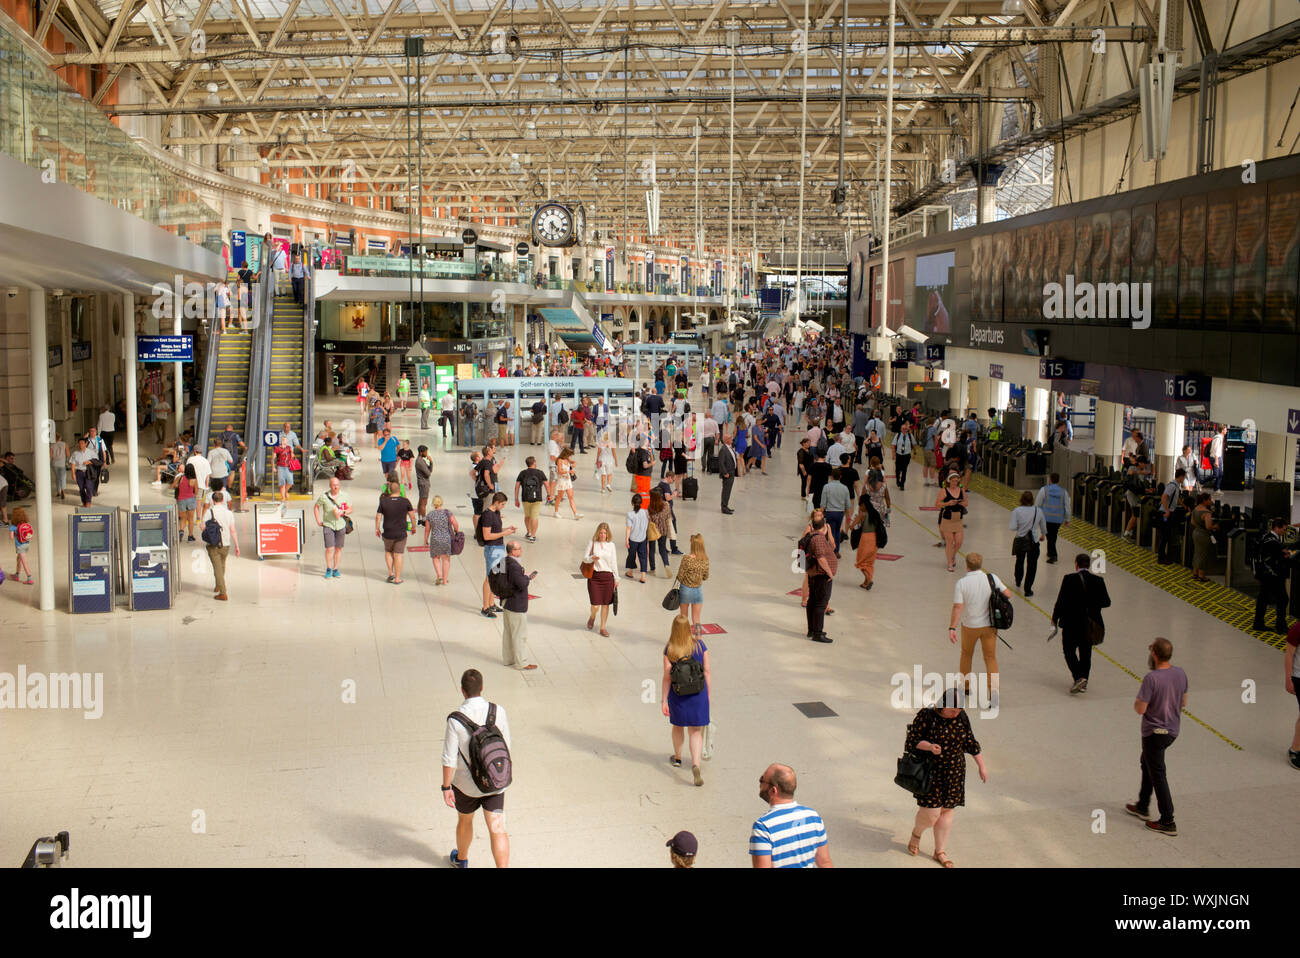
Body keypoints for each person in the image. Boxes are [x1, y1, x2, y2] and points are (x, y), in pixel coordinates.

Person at [903, 688, 988, 868]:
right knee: (931, 813)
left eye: (958, 711)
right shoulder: (926, 716)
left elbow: (970, 742)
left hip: (954, 772)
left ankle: (939, 851)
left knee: (947, 811)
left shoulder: (961, 717)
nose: (955, 714)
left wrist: (981, 765)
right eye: (952, 710)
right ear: (942, 705)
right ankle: (916, 834)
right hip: (931, 772)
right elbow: (912, 741)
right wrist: (929, 747)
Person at [442, 669, 512, 868]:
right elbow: (506, 744)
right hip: (495, 780)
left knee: (465, 821)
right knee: (497, 828)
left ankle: (461, 859)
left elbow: (449, 759)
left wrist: (446, 787)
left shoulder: (455, 720)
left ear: (462, 690)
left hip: (466, 786)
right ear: (482, 688)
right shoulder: (498, 710)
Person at [1125, 637, 1189, 836]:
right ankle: (1143, 805)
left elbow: (1140, 708)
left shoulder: (1152, 679)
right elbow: (1183, 702)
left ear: (1154, 654)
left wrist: (1139, 702)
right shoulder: (1180, 673)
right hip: (1172, 731)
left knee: (1158, 772)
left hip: (1154, 733)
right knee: (1148, 762)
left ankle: (1167, 820)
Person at [948, 553, 1010, 705]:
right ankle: (993, 694)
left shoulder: (962, 583)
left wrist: (952, 627)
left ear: (967, 565)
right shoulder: (992, 578)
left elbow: (958, 607)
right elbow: (1007, 594)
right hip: (989, 626)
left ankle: (965, 688)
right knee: (990, 658)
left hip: (970, 626)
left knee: (966, 655)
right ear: (981, 564)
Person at [1051, 552, 1112, 693]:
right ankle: (1084, 680)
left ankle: (1079, 677)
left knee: (1068, 650)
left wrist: (1055, 618)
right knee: (1086, 653)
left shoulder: (1069, 579)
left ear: (1076, 564)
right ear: (1088, 565)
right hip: (1090, 624)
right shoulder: (1099, 581)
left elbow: (1061, 602)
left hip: (1071, 622)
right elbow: (1107, 602)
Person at [750, 764, 831, 868]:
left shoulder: (763, 827)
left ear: (773, 790)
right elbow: (825, 863)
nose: (759, 783)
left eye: (762, 780)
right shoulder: (813, 817)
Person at [662, 615, 711, 787]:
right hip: (698, 694)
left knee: (678, 726)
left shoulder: (670, 649)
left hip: (678, 694)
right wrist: (708, 695)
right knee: (695, 732)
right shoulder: (699, 645)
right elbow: (707, 672)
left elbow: (667, 677)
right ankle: (696, 765)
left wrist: (664, 700)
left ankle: (677, 758)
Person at [499, 540, 538, 671]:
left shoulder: (504, 561)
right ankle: (521, 662)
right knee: (520, 634)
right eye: (519, 549)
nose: (521, 550)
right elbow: (521, 584)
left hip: (506, 602)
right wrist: (527, 578)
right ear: (513, 551)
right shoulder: (514, 566)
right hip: (516, 604)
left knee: (508, 632)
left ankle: (508, 659)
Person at [477, 492, 515, 618]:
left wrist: (507, 530)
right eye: (502, 504)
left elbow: (496, 531)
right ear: (496, 502)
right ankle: (485, 607)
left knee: (497, 577)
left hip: (499, 547)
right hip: (492, 549)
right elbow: (487, 536)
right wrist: (505, 534)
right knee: (490, 578)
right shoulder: (487, 515)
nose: (503, 506)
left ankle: (492, 603)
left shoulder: (496, 513)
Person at [1253, 516, 1293, 633]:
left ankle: (1258, 623)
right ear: (1277, 527)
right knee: (1283, 599)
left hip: (1263, 572)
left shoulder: (1266, 536)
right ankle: (1280, 626)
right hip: (1272, 575)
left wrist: (1281, 552)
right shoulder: (1273, 542)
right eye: (1284, 529)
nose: (1284, 532)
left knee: (1263, 598)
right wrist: (1287, 555)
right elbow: (1279, 558)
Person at [803, 514, 837, 644]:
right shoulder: (818, 539)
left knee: (813, 600)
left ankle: (812, 629)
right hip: (821, 576)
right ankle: (817, 632)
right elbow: (821, 558)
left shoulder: (811, 536)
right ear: (824, 527)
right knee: (820, 603)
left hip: (814, 574)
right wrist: (829, 573)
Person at [374, 479, 415, 585]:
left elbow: (378, 516)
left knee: (388, 552)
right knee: (398, 555)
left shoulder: (384, 501)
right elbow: (412, 515)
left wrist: (377, 528)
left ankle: (390, 573)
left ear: (390, 490)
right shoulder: (405, 501)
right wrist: (414, 527)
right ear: (399, 490)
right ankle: (397, 578)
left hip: (388, 532)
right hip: (401, 533)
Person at [1008, 490, 1047, 597]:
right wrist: (1043, 535)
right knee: (1032, 565)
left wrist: (1021, 527)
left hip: (1020, 540)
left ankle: (1018, 580)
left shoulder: (1017, 511)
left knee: (1020, 561)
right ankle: (1028, 589)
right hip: (1033, 541)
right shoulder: (1038, 511)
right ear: (1032, 500)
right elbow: (1043, 525)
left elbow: (1012, 527)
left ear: (1021, 499)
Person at [583, 522, 619, 636]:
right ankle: (592, 616)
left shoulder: (611, 545)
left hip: (608, 577)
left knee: (605, 604)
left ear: (608, 534)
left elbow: (614, 562)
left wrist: (616, 578)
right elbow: (585, 559)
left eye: (605, 533)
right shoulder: (592, 543)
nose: (603, 535)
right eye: (601, 532)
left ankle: (603, 628)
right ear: (597, 533)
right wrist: (591, 558)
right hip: (595, 577)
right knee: (595, 604)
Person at [312, 475, 352, 579]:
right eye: (334, 485)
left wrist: (343, 511)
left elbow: (350, 509)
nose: (336, 487)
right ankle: (329, 568)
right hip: (328, 525)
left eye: (337, 485)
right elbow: (316, 507)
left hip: (341, 525)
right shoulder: (324, 497)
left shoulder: (345, 496)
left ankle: (336, 569)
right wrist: (318, 520)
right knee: (329, 548)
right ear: (330, 486)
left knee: (338, 548)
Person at [847, 484, 886, 590]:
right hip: (875, 540)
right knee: (869, 562)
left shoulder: (862, 514)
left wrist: (852, 523)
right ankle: (865, 582)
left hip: (865, 539)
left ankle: (868, 580)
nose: (860, 507)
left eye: (860, 505)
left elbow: (851, 527)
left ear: (864, 504)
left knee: (861, 561)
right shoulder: (875, 514)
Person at [203, 489, 239, 601]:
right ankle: (219, 584)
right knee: (222, 565)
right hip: (226, 544)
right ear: (223, 500)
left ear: (213, 501)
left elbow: (202, 527)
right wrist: (237, 546)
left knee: (217, 568)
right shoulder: (229, 513)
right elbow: (233, 530)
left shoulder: (209, 512)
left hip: (213, 544)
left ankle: (223, 593)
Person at [419, 495, 458, 587]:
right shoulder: (447, 513)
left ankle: (439, 576)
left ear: (433, 504)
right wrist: (457, 531)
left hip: (435, 539)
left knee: (436, 558)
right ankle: (444, 580)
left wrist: (425, 540)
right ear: (441, 502)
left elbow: (427, 529)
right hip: (446, 539)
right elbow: (455, 523)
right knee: (446, 559)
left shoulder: (430, 515)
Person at [1033, 473, 1071, 564]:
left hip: (1046, 518)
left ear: (1050, 479)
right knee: (1052, 536)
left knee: (1051, 537)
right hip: (1058, 519)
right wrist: (1067, 519)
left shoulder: (1044, 490)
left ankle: (1053, 555)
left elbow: (1037, 503)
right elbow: (1067, 506)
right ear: (1058, 480)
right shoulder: (1063, 492)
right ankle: (1050, 552)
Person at [676, 534, 709, 635]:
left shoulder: (687, 558)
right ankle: (699, 641)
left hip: (685, 590)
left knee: (684, 617)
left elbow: (680, 576)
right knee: (696, 619)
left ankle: (684, 639)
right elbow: (705, 577)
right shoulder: (705, 559)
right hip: (698, 591)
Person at [936, 472, 968, 573]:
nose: (955, 483)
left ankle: (952, 555)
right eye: (953, 481)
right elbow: (937, 504)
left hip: (958, 519)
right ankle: (950, 563)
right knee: (950, 542)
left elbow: (966, 503)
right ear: (949, 481)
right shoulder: (944, 491)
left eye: (956, 481)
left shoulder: (961, 491)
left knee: (959, 542)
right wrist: (948, 503)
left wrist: (960, 503)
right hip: (947, 519)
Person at [514, 456, 548, 542]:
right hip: (537, 498)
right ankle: (533, 536)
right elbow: (547, 485)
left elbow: (517, 486)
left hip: (525, 498)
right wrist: (549, 495)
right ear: (534, 463)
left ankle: (528, 532)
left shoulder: (522, 473)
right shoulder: (540, 473)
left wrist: (516, 499)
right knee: (534, 517)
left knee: (527, 516)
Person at [820, 468, 850, 558]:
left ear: (831, 476)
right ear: (840, 477)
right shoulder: (845, 488)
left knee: (830, 532)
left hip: (830, 512)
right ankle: (836, 551)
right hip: (840, 513)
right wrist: (848, 515)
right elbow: (848, 504)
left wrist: (820, 514)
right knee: (837, 532)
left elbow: (823, 503)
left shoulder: (826, 487)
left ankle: (830, 550)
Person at [1189, 493, 1218, 583]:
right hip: (1203, 535)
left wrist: (1199, 526)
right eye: (1209, 499)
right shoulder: (1206, 513)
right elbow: (1208, 526)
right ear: (1204, 500)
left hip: (1196, 533)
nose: (1211, 501)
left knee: (1197, 552)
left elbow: (1192, 522)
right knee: (1203, 554)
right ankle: (1201, 576)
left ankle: (1195, 573)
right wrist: (1215, 527)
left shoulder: (1196, 509)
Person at [624, 493, 651, 583]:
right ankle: (643, 576)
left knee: (632, 555)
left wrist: (626, 539)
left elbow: (628, 528)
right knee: (643, 556)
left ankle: (631, 572)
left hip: (633, 539)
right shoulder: (646, 512)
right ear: (641, 503)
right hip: (643, 538)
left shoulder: (630, 514)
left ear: (632, 503)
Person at [551, 447, 583, 520]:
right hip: (562, 481)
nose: (570, 456)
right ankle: (556, 512)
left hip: (568, 481)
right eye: (569, 454)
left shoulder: (567, 459)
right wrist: (569, 471)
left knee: (571, 497)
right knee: (559, 497)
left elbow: (573, 462)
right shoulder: (559, 460)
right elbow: (559, 471)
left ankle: (575, 514)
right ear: (566, 453)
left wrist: (573, 464)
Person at [647, 490, 673, 576]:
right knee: (662, 549)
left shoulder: (650, 507)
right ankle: (666, 564)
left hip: (653, 531)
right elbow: (668, 516)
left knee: (652, 550)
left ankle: (653, 569)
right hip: (664, 530)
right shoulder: (666, 505)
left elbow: (649, 520)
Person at [1285, 622, 1300, 769]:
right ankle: (1295, 750)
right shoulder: (1297, 629)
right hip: (1298, 676)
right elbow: (1289, 654)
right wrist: (1288, 679)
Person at [9, 506, 34, 585]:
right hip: (26, 544)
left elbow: (11, 537)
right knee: (19, 559)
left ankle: (29, 578)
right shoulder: (25, 524)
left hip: (20, 546)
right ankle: (16, 575)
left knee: (24, 561)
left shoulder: (13, 526)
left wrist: (15, 534)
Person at [174, 464, 199, 542]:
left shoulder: (180, 478)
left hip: (181, 500)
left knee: (182, 519)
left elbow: (174, 486)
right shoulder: (194, 480)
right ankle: (190, 536)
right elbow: (196, 492)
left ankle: (181, 531)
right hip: (191, 499)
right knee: (190, 519)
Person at [69, 437, 97, 506]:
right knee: (81, 488)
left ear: (86, 444)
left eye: (82, 443)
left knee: (88, 487)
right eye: (79, 443)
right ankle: (84, 501)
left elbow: (96, 461)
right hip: (79, 472)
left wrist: (89, 462)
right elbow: (73, 464)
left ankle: (88, 501)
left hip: (88, 472)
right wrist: (73, 474)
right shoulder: (75, 453)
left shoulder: (91, 452)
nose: (80, 445)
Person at [717, 432, 738, 515]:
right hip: (727, 474)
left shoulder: (730, 447)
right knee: (726, 491)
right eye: (730, 438)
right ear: (726, 440)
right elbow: (721, 463)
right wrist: (725, 472)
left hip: (732, 472)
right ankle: (724, 507)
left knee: (728, 491)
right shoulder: (723, 449)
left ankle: (726, 505)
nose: (732, 439)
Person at [892, 421, 915, 491]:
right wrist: (893, 455)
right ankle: (897, 479)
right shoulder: (898, 435)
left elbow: (914, 444)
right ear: (900, 429)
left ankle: (902, 484)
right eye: (903, 429)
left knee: (904, 470)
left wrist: (915, 453)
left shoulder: (910, 436)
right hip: (899, 455)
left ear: (907, 429)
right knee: (898, 470)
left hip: (906, 456)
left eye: (905, 429)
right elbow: (893, 445)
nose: (904, 430)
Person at [273, 438, 295, 506]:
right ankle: (283, 497)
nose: (284, 442)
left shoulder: (289, 448)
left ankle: (285, 491)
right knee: (282, 483)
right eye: (283, 441)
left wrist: (292, 455)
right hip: (280, 467)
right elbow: (273, 458)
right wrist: (273, 467)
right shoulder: (277, 448)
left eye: (285, 441)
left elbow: (292, 456)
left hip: (288, 466)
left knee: (290, 482)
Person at [414, 445, 433, 520]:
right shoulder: (420, 462)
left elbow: (429, 471)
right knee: (423, 503)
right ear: (421, 452)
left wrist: (430, 463)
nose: (427, 453)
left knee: (421, 500)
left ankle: (420, 518)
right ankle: (424, 520)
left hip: (422, 483)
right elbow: (428, 473)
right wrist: (431, 462)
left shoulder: (421, 460)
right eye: (426, 452)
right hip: (424, 483)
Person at [594, 430, 615, 494]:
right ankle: (608, 484)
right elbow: (613, 452)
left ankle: (603, 489)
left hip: (602, 459)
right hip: (609, 459)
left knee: (603, 474)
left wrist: (597, 460)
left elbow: (598, 452)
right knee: (609, 473)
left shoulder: (601, 443)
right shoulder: (611, 443)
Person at [1207, 425, 1227, 491]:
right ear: (1222, 431)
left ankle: (1217, 488)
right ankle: (1201, 482)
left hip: (1219, 457)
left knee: (1220, 474)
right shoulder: (1217, 438)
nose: (1226, 431)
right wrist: (1216, 460)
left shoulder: (1221, 437)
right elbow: (1216, 450)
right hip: (1215, 457)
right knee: (1216, 474)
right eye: (1225, 429)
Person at [50, 433, 68, 501]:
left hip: (55, 463)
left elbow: (50, 456)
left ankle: (59, 491)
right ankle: (63, 489)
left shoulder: (52, 445)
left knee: (57, 477)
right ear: (60, 438)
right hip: (62, 463)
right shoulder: (64, 444)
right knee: (63, 477)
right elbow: (68, 453)